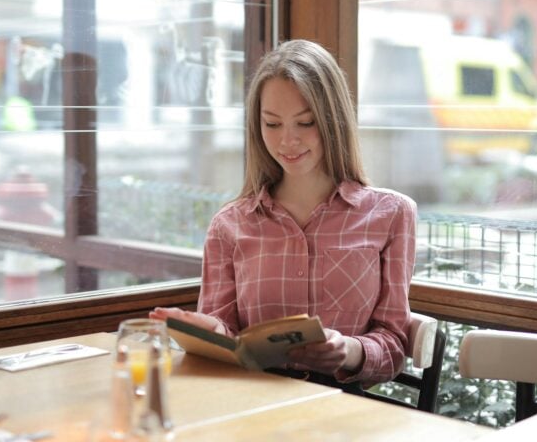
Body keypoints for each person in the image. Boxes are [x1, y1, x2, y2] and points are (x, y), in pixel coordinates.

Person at [151, 39, 417, 391]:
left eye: (305, 123)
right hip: (252, 404)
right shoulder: (229, 225)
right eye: (272, 124)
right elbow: (225, 339)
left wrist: (349, 351)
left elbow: (395, 346)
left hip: (347, 413)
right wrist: (212, 333)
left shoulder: (392, 214)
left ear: (333, 119)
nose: (287, 141)